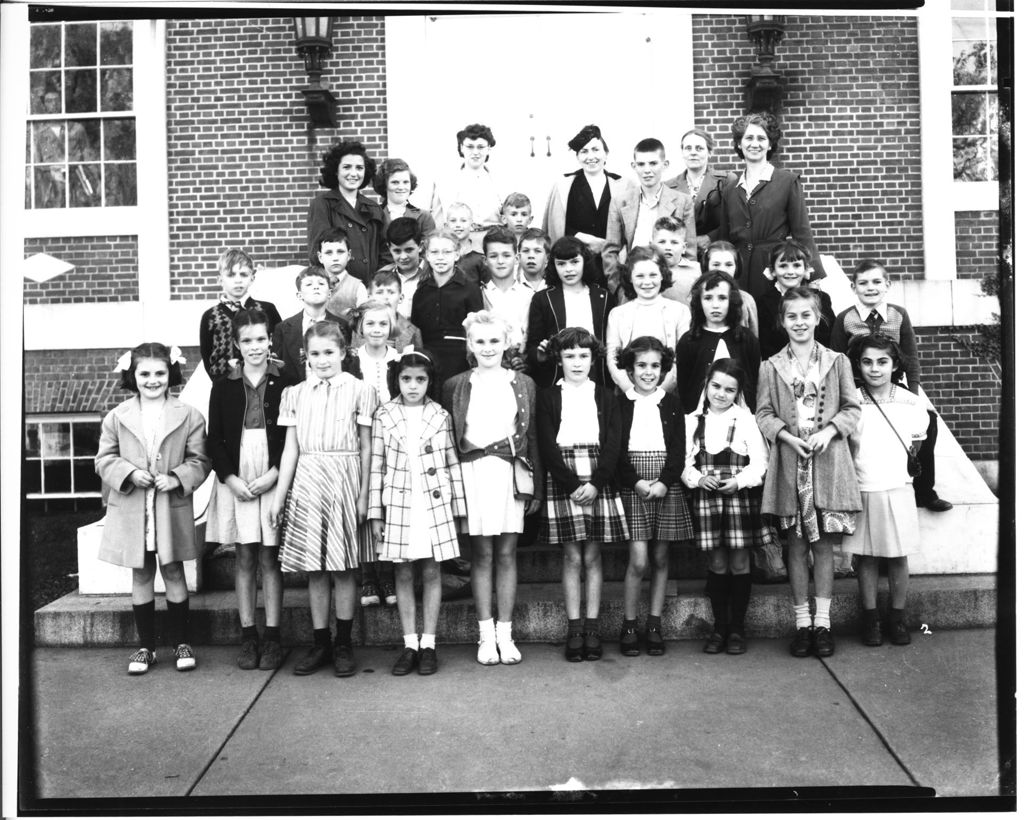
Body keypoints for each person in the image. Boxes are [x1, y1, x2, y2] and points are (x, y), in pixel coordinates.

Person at [756, 287, 861, 659]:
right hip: (790, 464)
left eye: (806, 315)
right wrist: (786, 436)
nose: (799, 322)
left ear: (818, 318)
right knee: (796, 547)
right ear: (782, 321)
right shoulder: (771, 366)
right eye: (792, 316)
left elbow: (852, 407)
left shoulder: (837, 362)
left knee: (823, 547)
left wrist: (829, 431)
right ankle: (801, 624)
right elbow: (764, 414)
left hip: (827, 461)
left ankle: (823, 623)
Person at [269, 320, 379, 676]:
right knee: (316, 569)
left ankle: (344, 642)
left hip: (346, 477)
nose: (322, 360)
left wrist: (365, 496)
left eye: (329, 352)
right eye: (314, 354)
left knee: (344, 567)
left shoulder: (361, 390)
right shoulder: (295, 394)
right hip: (309, 479)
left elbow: (366, 447)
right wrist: (279, 497)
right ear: (306, 356)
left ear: (344, 353)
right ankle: (321, 642)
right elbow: (290, 451)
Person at [95, 343, 211, 674]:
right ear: (132, 375)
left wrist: (176, 478)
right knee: (142, 571)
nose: (152, 380)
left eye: (160, 373)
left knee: (173, 570)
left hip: (168, 504)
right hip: (134, 506)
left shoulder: (188, 415)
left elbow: (200, 459)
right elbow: (104, 459)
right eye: (144, 374)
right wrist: (130, 473)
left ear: (170, 374)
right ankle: (146, 646)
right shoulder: (118, 416)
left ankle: (181, 642)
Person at [441, 311, 541, 665]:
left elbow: (531, 438)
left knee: (506, 554)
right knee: (481, 555)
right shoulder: (456, 385)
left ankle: (506, 633)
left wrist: (535, 487)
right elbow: (451, 439)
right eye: (480, 341)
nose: (488, 348)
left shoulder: (523, 383)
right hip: (472, 473)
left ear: (507, 343)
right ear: (470, 345)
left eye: (494, 341)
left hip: (508, 474)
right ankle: (485, 637)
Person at [369, 348, 467, 675]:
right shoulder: (384, 415)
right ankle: (409, 643)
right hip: (398, 504)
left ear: (429, 381)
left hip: (432, 504)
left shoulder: (440, 415)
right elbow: (376, 466)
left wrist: (460, 510)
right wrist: (375, 513)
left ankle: (429, 644)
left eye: (420, 379)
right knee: (403, 572)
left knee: (431, 571)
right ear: (396, 380)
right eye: (406, 379)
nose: (413, 386)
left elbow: (452, 463)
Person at [207, 309, 295, 670]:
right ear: (237, 344)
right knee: (245, 555)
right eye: (247, 341)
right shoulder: (224, 381)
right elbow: (214, 439)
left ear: (269, 339)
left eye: (260, 339)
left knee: (270, 557)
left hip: (271, 471)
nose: (254, 347)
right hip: (238, 474)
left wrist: (275, 474)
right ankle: (248, 635)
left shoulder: (286, 377)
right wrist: (230, 478)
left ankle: (273, 636)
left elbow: (293, 434)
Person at [830, 259, 951, 513]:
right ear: (853, 287)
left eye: (876, 282)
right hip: (857, 387)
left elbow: (910, 357)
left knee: (928, 420)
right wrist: (846, 394)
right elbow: (837, 360)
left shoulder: (899, 314)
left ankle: (924, 490)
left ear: (887, 284)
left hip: (892, 384)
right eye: (863, 283)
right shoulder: (846, 318)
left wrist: (914, 395)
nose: (870, 288)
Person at [537, 327, 628, 662]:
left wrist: (596, 483)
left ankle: (592, 627)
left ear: (594, 358)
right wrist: (572, 485)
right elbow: (547, 445)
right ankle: (574, 627)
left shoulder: (605, 396)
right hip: (566, 477)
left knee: (593, 557)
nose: (577, 362)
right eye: (570, 355)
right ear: (559, 360)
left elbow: (613, 444)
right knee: (572, 557)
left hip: (597, 478)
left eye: (584, 356)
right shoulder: (548, 397)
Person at [843, 334, 928, 647]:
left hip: (896, 485)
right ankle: (870, 619)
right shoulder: (851, 400)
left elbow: (915, 444)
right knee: (865, 557)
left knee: (897, 555)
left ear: (895, 365)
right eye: (867, 362)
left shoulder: (911, 402)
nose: (874, 369)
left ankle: (897, 617)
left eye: (882, 362)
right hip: (863, 484)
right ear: (858, 365)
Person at [683, 358, 768, 655]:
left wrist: (741, 481)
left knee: (740, 562)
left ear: (738, 392)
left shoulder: (746, 420)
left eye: (729, 390)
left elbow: (760, 463)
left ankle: (737, 629)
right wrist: (696, 478)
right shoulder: (692, 421)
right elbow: (682, 464)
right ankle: (719, 627)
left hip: (737, 500)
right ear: (706, 385)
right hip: (707, 500)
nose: (721, 394)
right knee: (717, 563)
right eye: (716, 386)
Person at [615, 337, 692, 657]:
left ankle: (655, 623)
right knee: (639, 559)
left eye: (655, 366)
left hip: (664, 481)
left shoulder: (671, 402)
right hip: (634, 481)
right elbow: (615, 449)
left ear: (664, 369)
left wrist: (664, 481)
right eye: (641, 366)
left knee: (661, 558)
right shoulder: (619, 402)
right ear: (630, 370)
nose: (648, 372)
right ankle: (630, 624)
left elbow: (678, 449)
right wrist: (634, 482)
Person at [720, 112, 822, 301]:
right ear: (738, 144)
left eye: (761, 138)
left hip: (774, 269)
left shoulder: (787, 181)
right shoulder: (730, 189)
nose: (755, 144)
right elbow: (725, 239)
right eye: (748, 138)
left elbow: (802, 232)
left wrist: (813, 276)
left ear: (770, 144)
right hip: (739, 273)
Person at [525, 235, 613, 389]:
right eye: (561, 264)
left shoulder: (603, 297)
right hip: (557, 377)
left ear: (585, 261)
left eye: (574, 262)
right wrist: (540, 355)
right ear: (553, 265)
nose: (569, 269)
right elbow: (532, 346)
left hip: (597, 376)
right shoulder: (543, 299)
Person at [605, 245, 690, 394]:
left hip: (669, 390)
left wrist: (662, 392)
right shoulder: (618, 314)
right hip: (628, 391)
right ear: (630, 278)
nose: (647, 282)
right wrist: (630, 390)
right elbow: (613, 357)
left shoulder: (680, 311)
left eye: (653, 275)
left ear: (662, 275)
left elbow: (683, 357)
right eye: (640, 276)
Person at [674, 270, 760, 414]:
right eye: (708, 298)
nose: (715, 305)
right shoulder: (689, 340)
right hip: (700, 418)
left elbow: (754, 378)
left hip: (741, 417)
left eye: (722, 298)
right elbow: (684, 385)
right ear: (699, 302)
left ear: (731, 301)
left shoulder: (746, 338)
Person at [410, 229, 485, 388]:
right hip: (427, 362)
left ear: (457, 254)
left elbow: (477, 331)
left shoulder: (470, 289)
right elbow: (415, 333)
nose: (440, 258)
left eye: (446, 252)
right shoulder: (421, 292)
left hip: (460, 363)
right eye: (435, 252)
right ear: (427, 256)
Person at [306, 139, 388, 285]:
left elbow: (385, 253)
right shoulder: (322, 204)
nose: (353, 173)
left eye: (359, 168)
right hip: (335, 286)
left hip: (369, 288)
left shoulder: (374, 208)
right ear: (336, 171)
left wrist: (377, 283)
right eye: (347, 167)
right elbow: (317, 253)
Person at [606, 138, 697, 259]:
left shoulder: (683, 201)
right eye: (641, 164)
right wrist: (616, 278)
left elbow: (689, 251)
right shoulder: (620, 202)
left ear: (665, 165)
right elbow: (610, 251)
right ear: (634, 166)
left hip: (670, 273)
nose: (647, 170)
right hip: (633, 273)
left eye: (653, 163)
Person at [543, 124, 628, 253]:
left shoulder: (623, 186)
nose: (590, 157)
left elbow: (629, 230)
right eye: (584, 151)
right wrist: (582, 237)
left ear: (606, 154)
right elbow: (555, 227)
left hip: (612, 263)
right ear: (577, 157)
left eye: (595, 149)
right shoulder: (563, 187)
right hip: (574, 260)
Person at [199, 249, 282, 380]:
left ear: (252, 278)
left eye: (243, 275)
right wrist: (218, 383)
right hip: (224, 385)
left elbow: (279, 347)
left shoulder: (266, 309)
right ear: (220, 280)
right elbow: (207, 355)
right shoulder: (210, 316)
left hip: (263, 381)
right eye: (231, 275)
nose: (238, 280)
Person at [756, 239, 834, 361]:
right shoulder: (764, 303)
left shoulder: (821, 299)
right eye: (783, 266)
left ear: (806, 269)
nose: (790, 272)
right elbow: (765, 346)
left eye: (797, 265)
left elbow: (829, 339)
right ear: (773, 271)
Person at [430, 123, 503, 251]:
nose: (475, 152)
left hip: (493, 244)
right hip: (459, 245)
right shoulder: (445, 182)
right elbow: (438, 222)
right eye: (470, 147)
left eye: (480, 147)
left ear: (489, 148)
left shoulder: (501, 181)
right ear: (461, 148)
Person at [665, 128, 736, 254]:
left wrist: (710, 238)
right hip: (682, 254)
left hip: (717, 252)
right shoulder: (668, 187)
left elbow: (735, 219)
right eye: (688, 148)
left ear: (709, 152)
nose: (693, 153)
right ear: (682, 152)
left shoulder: (726, 181)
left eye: (699, 148)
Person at [271, 266, 347, 384]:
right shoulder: (283, 328)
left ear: (329, 293)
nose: (316, 287)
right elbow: (277, 368)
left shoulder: (342, 326)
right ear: (299, 295)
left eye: (321, 283)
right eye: (309, 284)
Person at [480, 226, 534, 364]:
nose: (500, 261)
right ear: (485, 260)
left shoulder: (529, 295)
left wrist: (523, 359)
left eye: (506, 255)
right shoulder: (480, 294)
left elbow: (531, 335)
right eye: (493, 256)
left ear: (516, 259)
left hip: (522, 364)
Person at [703, 240, 760, 335]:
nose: (722, 270)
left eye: (729, 265)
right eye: (716, 265)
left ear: (736, 267)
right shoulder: (699, 298)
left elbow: (753, 338)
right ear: (706, 266)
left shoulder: (747, 300)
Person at [377, 217, 430, 319]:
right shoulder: (381, 276)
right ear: (389, 248)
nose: (403, 257)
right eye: (397, 251)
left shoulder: (433, 274)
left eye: (409, 250)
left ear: (420, 246)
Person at [372, 157, 436, 236]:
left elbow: (428, 246)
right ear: (384, 185)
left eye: (405, 182)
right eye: (395, 182)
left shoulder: (424, 217)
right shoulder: (374, 215)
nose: (401, 187)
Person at [316, 228, 369, 317]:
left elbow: (364, 320)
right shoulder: (314, 286)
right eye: (329, 252)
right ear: (320, 257)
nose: (335, 258)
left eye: (340, 252)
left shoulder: (358, 287)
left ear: (348, 255)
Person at [367, 270, 424, 352]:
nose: (385, 297)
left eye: (391, 292)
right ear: (370, 297)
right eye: (379, 292)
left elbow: (418, 363)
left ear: (400, 298)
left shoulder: (413, 331)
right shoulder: (358, 329)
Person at [652, 216, 702, 308]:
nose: (668, 247)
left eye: (674, 242)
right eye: (662, 242)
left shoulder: (696, 270)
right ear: (652, 246)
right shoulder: (647, 269)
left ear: (684, 248)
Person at [445, 202, 489, 285]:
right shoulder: (441, 254)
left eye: (463, 220)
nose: (458, 225)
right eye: (453, 221)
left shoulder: (480, 256)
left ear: (472, 225)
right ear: (446, 225)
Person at [516, 228, 551, 293]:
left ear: (547, 258)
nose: (531, 256)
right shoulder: (511, 285)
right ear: (519, 257)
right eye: (526, 251)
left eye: (537, 251)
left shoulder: (555, 285)